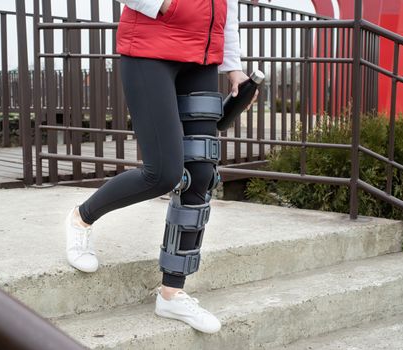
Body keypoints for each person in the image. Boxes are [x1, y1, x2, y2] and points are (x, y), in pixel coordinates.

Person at [65, 0, 258, 334]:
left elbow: (225, 9)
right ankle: (81, 219)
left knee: (201, 173)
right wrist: (166, 5)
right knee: (164, 173)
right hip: (150, 50)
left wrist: (233, 66)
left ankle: (172, 291)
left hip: (201, 58)